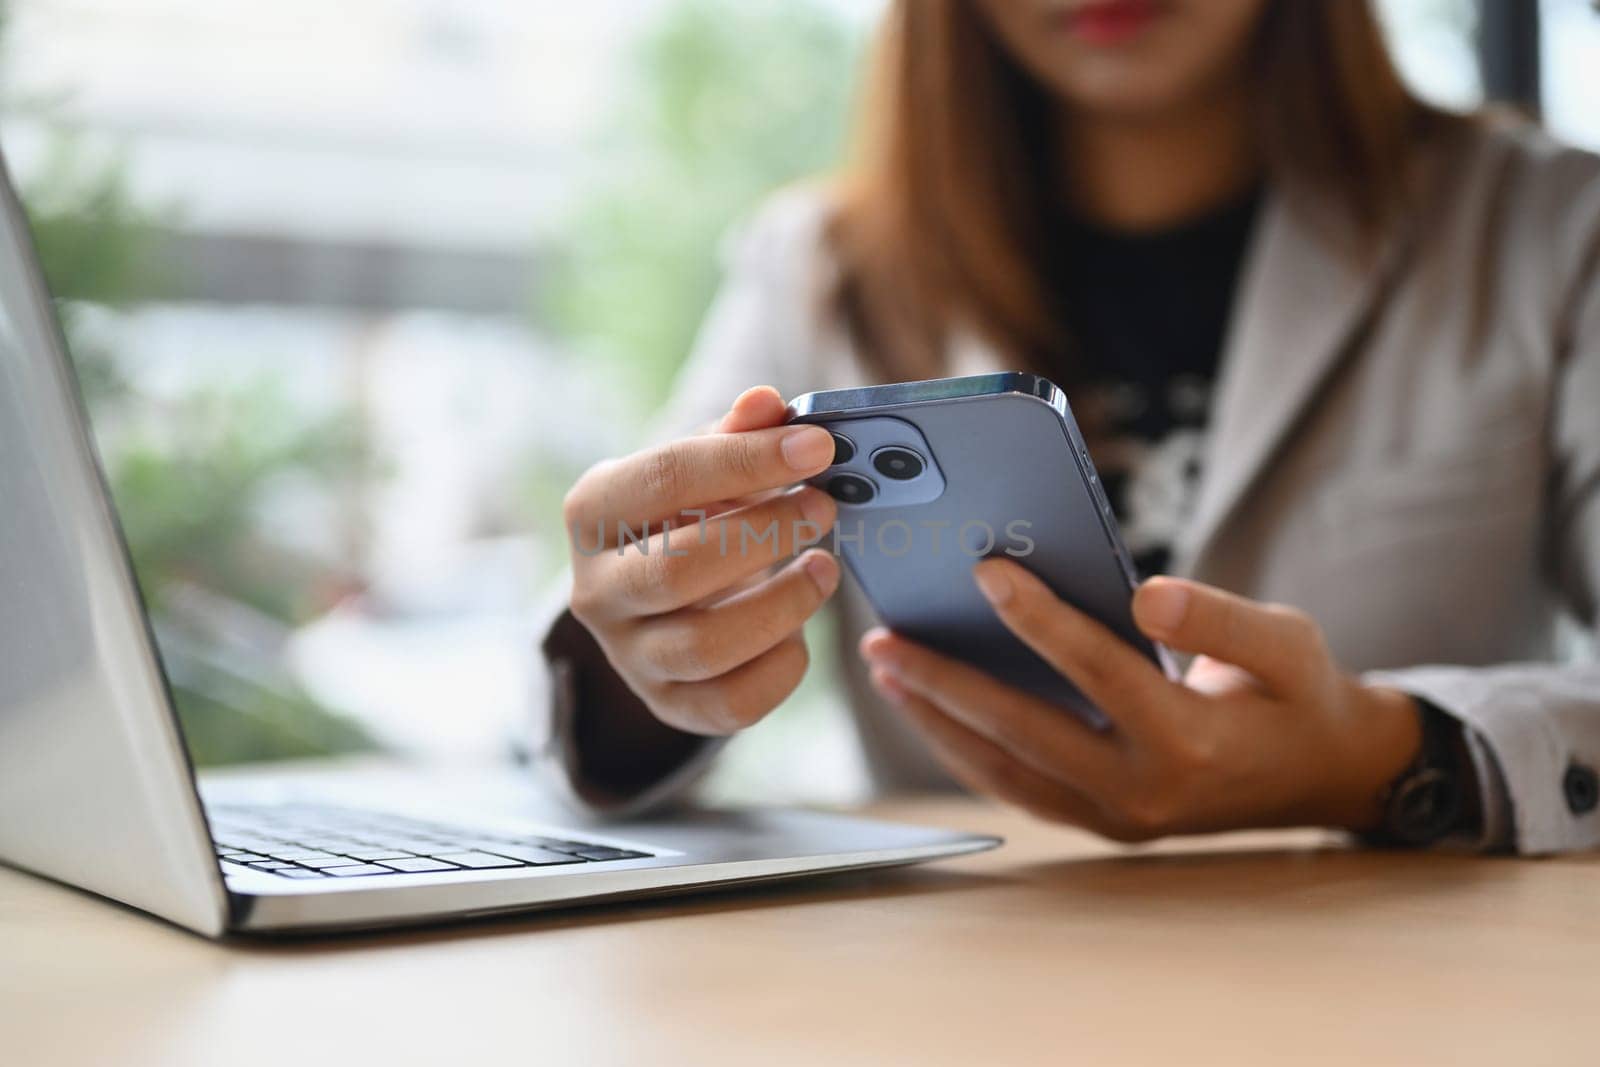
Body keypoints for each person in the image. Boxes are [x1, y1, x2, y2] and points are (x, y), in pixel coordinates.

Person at [537, 0, 1600, 853]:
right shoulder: (815, 267)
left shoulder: (1547, 233)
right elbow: (621, 638)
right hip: (958, 988)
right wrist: (642, 653)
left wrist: (1384, 754)